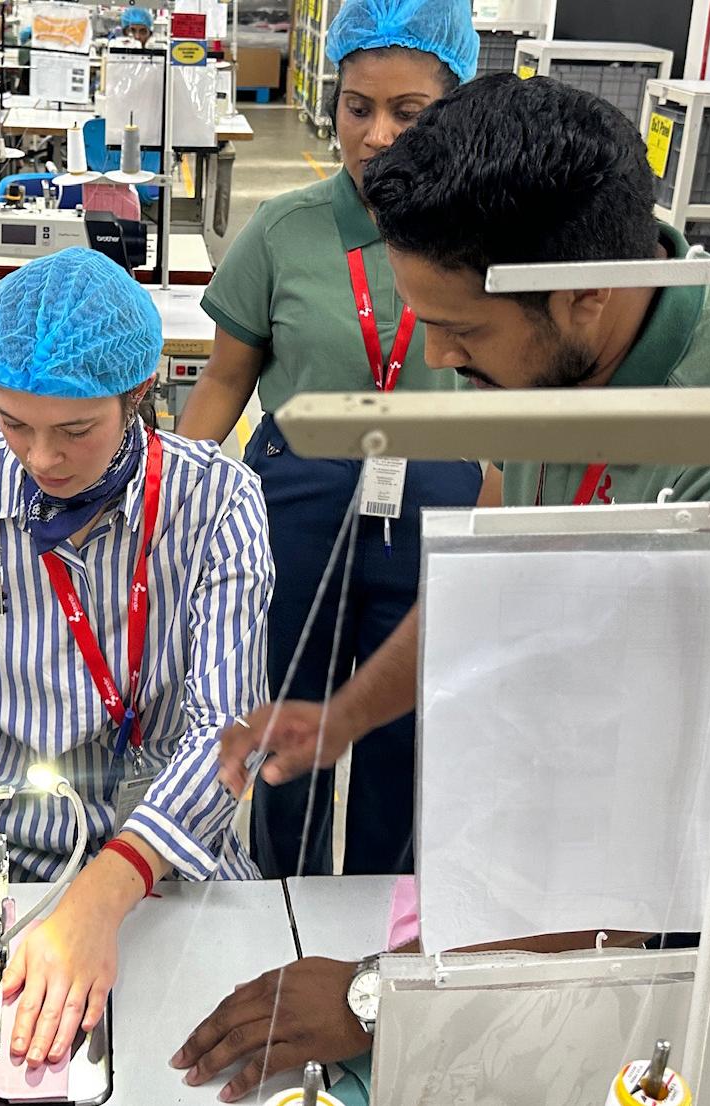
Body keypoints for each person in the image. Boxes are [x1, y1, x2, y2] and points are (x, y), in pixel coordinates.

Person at [177, 74, 710, 1101]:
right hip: (576, 854)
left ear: (580, 294)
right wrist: (344, 715)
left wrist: (380, 998)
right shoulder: (548, 366)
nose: (435, 355)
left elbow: (672, 837)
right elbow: (498, 574)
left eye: (460, 331)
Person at [0, 248, 272, 1071]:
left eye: (76, 430)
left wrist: (113, 881)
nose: (42, 459)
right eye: (14, 423)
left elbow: (225, 732)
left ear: (139, 392)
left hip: (169, 855)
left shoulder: (217, 500)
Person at [172, 0, 481, 878]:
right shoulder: (286, 229)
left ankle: (378, 946)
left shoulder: (483, 231)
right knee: (287, 727)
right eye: (357, 107)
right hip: (295, 509)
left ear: (450, 110)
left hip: (438, 507)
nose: (376, 134)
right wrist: (176, 499)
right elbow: (227, 379)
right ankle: (282, 916)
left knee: (403, 733)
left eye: (408, 112)